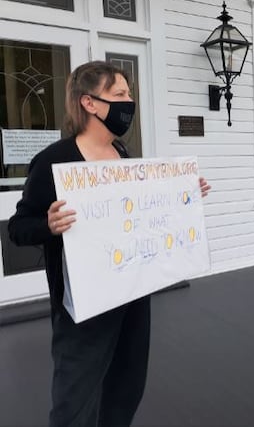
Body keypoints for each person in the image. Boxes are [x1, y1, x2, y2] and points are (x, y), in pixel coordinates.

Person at [8, 61, 211, 427]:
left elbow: (141, 212)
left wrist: (184, 194)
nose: (128, 103)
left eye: (129, 95)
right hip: (84, 305)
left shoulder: (123, 156)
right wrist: (48, 225)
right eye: (120, 95)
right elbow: (19, 228)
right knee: (76, 394)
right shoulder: (55, 161)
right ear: (89, 103)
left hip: (132, 293)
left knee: (127, 384)